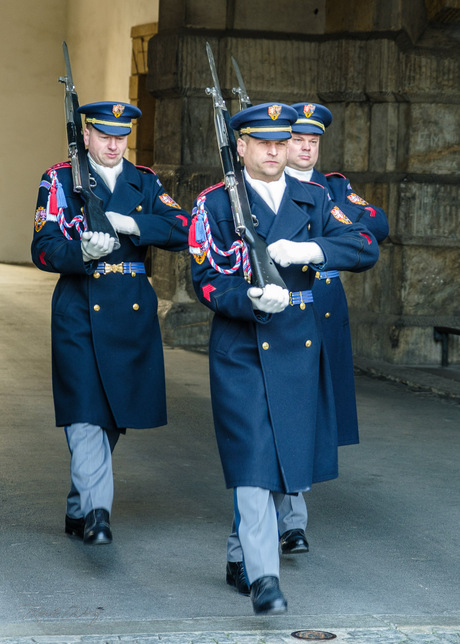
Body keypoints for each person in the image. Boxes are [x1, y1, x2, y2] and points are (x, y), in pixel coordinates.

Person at [189, 102, 380, 614]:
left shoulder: (315, 196)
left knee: (287, 464)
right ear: (241, 147)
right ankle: (264, 579)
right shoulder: (213, 204)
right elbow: (205, 279)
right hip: (243, 347)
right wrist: (244, 299)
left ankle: (240, 558)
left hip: (299, 343)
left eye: (282, 142)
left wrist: (314, 251)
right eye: (263, 142)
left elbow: (364, 243)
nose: (275, 151)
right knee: (253, 461)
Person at [31, 101, 190, 545]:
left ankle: (79, 502)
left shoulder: (145, 181)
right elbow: (42, 247)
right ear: (87, 136)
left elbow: (184, 229)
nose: (114, 143)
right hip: (80, 308)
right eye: (105, 135)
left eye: (122, 136)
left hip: (130, 311)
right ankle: (98, 511)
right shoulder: (61, 179)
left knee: (112, 417)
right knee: (84, 411)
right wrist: (80, 253)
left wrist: (132, 223)